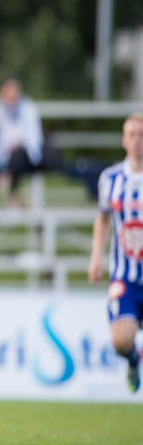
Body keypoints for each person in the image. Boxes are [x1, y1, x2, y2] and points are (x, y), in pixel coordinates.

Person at [88, 113, 143, 394]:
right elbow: (103, 218)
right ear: (123, 140)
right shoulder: (110, 179)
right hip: (125, 276)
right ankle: (134, 359)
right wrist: (96, 256)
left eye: (141, 135)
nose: (137, 141)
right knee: (121, 340)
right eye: (131, 135)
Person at [0, 76, 49, 206]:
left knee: (19, 155)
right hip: (1, 155)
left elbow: (35, 139)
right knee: (12, 157)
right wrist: (10, 146)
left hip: (25, 156)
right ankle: (10, 188)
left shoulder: (29, 108)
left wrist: (19, 144)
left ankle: (9, 183)